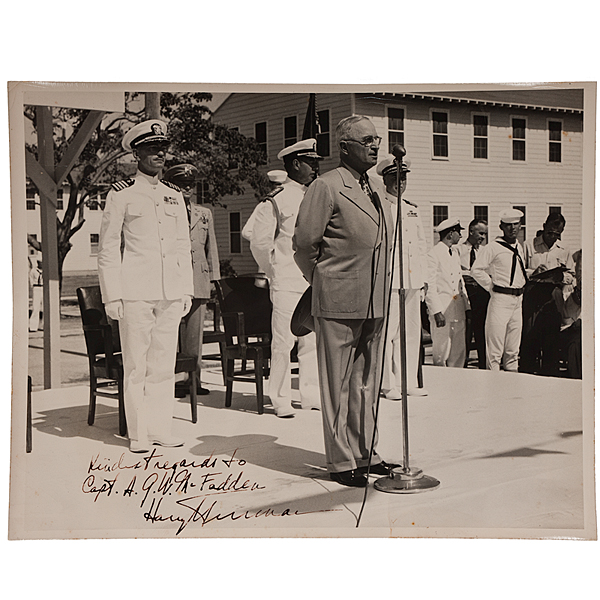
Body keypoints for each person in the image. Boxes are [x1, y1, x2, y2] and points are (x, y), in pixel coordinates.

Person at [293, 115, 397, 488]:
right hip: (337, 299)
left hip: (374, 300)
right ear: (345, 147)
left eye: (378, 139)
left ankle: (366, 452)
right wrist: (324, 280)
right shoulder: (327, 186)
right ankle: (340, 460)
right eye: (367, 139)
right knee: (336, 384)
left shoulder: (376, 188)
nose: (375, 145)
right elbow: (305, 245)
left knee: (366, 381)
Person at [98, 120, 194, 453]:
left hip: (170, 292)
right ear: (136, 153)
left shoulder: (173, 194)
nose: (159, 154)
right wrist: (112, 295)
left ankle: (160, 428)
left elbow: (183, 246)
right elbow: (108, 246)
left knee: (164, 365)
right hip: (135, 291)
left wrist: (186, 290)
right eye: (152, 148)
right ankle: (137, 433)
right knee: (137, 364)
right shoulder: (122, 193)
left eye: (163, 148)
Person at [245, 139, 323, 417]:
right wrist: (273, 271)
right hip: (288, 281)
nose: (316, 167)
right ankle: (279, 399)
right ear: (295, 164)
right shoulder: (276, 201)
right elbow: (259, 242)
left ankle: (310, 394)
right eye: (311, 162)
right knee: (283, 342)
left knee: (312, 341)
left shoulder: (317, 196)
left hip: (314, 281)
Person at [163, 163, 220, 396]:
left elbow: (211, 247)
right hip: (173, 278)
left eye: (190, 185)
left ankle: (193, 379)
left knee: (195, 333)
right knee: (172, 331)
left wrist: (214, 279)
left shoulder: (203, 213)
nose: (187, 189)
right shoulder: (165, 213)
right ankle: (174, 379)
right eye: (181, 185)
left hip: (198, 278)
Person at [376, 154, 428, 398]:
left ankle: (407, 382)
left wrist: (423, 280)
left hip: (412, 280)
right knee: (388, 333)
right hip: (389, 281)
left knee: (410, 333)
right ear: (385, 179)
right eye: (395, 178)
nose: (400, 182)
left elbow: (421, 246)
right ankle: (388, 384)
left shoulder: (412, 209)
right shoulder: (379, 207)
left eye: (404, 177)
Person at [471, 209, 527, 371]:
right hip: (500, 300)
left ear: (520, 226)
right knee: (494, 352)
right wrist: (492, 287)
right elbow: (477, 270)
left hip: (517, 301)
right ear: (501, 227)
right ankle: (493, 390)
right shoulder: (493, 247)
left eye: (516, 224)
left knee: (512, 350)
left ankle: (512, 388)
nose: (512, 228)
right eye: (508, 225)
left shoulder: (519, 247)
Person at [520, 212, 575, 376]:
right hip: (532, 296)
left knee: (551, 343)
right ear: (544, 227)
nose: (552, 237)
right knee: (530, 340)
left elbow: (571, 276)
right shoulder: (529, 245)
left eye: (557, 234)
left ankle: (549, 380)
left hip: (553, 298)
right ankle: (526, 378)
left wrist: (562, 277)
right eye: (549, 232)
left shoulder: (564, 249)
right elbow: (520, 270)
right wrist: (534, 272)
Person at [425, 218, 470, 368]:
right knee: (441, 352)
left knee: (458, 353)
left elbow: (460, 281)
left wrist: (466, 307)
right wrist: (436, 311)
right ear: (451, 234)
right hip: (442, 310)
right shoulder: (433, 254)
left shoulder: (454, 253)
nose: (461, 236)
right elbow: (429, 285)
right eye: (458, 232)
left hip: (457, 310)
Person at [457, 219, 490, 369]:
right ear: (471, 231)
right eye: (481, 233)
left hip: (482, 296)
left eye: (485, 234)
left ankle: (483, 364)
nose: (483, 237)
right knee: (465, 332)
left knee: (482, 330)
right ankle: (462, 363)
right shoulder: (458, 250)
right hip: (464, 294)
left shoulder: (485, 251)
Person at [553, 249, 581, 378]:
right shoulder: (568, 291)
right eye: (579, 270)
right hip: (572, 332)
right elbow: (566, 324)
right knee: (575, 344)